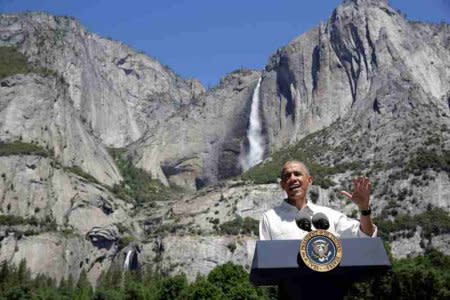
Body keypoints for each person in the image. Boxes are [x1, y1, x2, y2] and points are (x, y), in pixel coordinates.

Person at [259, 160, 376, 240]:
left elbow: (365, 235)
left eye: (297, 174)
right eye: (287, 176)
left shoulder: (329, 215)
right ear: (282, 185)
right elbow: (266, 258)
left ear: (309, 181)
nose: (292, 179)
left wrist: (364, 209)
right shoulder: (270, 218)